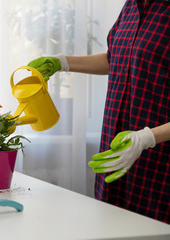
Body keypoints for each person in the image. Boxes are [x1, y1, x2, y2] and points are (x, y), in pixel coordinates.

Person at [28, 0, 170, 224]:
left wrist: (147, 138)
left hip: (159, 164)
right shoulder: (131, 7)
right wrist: (63, 62)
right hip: (115, 150)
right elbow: (115, 59)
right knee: (111, 227)